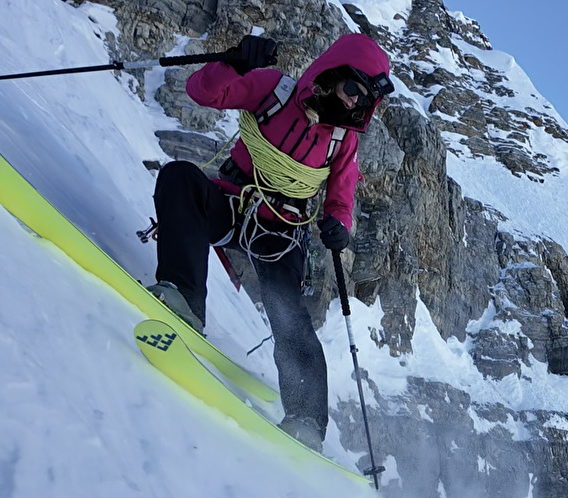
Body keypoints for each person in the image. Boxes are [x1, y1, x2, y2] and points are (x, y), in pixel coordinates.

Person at [148, 33, 393, 452]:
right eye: (352, 88)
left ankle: (306, 419)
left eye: (363, 99)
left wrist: (339, 222)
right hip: (233, 200)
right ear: (333, 73)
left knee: (289, 314)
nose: (353, 102)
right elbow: (203, 92)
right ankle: (183, 298)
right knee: (180, 180)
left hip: (280, 232)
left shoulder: (343, 140)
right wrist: (234, 65)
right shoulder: (273, 91)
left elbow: (342, 191)